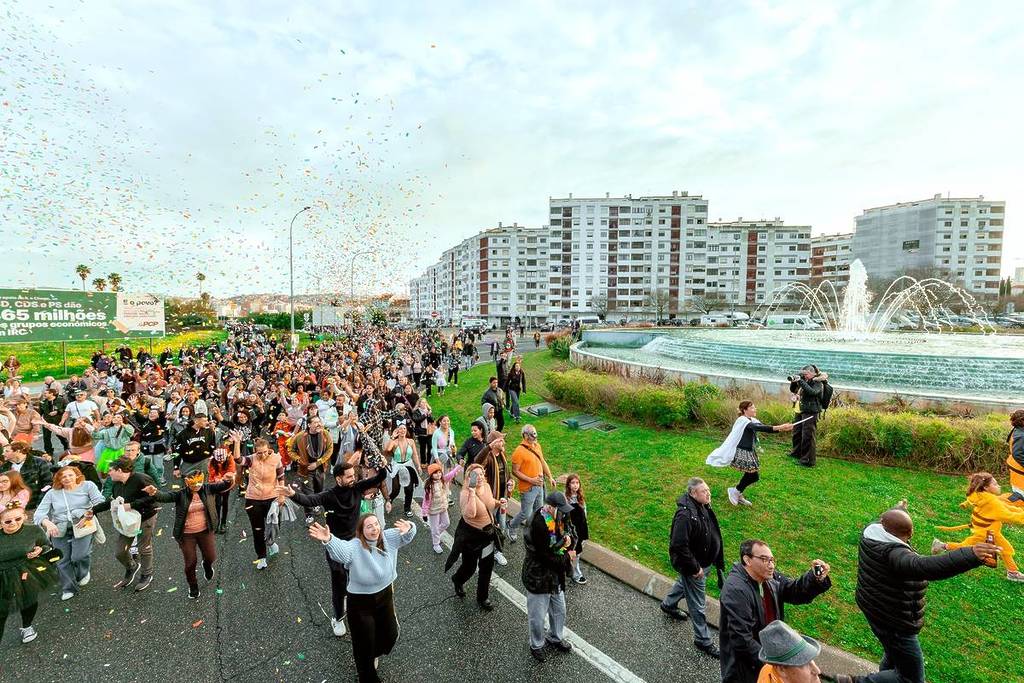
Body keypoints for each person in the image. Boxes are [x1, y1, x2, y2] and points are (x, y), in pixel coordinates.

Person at [856, 500, 997, 683]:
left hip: (873, 605)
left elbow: (888, 517)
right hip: (893, 620)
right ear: (911, 532)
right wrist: (971, 554)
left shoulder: (872, 531)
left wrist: (899, 509)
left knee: (894, 657)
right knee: (909, 678)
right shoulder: (896, 555)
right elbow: (925, 566)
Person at [276, 462, 387, 637]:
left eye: (353, 475)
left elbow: (380, 478)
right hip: (335, 543)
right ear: (338, 479)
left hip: (356, 542)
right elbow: (310, 500)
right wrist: (292, 494)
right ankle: (338, 617)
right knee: (339, 581)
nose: (353, 479)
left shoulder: (357, 488)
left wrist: (381, 465)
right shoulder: (330, 495)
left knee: (359, 577)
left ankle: (358, 608)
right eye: (349, 476)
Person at [309, 514, 417, 682]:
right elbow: (341, 552)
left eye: (376, 524)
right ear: (361, 531)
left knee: (390, 635)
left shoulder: (388, 537)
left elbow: (408, 535)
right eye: (369, 526)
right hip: (361, 604)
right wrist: (328, 539)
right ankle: (367, 675)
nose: (374, 529)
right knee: (363, 645)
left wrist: (409, 526)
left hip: (385, 596)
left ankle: (374, 653)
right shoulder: (355, 546)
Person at [719, 539, 832, 683]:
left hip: (769, 658)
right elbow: (742, 640)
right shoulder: (735, 590)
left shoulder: (769, 578)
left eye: (772, 560)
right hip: (746, 668)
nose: (771, 565)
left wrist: (814, 578)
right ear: (747, 560)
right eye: (764, 559)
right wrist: (774, 663)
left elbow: (794, 591)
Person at [660, 477, 724, 659]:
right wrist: (695, 568)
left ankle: (668, 604)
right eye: (704, 491)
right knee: (698, 604)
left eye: (708, 490)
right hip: (696, 568)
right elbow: (679, 545)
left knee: (683, 584)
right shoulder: (685, 515)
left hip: (705, 563)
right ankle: (703, 640)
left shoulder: (702, 506)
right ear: (692, 493)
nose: (708, 494)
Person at [144, 469, 233, 599]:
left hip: (205, 531)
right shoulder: (181, 494)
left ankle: (207, 565)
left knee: (211, 557)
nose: (197, 486)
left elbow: (224, 486)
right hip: (186, 534)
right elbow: (165, 497)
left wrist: (229, 479)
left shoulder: (208, 489)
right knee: (190, 562)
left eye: (199, 482)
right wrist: (154, 492)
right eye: (193, 483)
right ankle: (193, 586)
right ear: (187, 482)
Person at [932, 471, 1024, 582]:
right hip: (986, 532)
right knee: (966, 546)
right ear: (985, 487)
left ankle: (1012, 572)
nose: (999, 486)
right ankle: (942, 546)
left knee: (1005, 548)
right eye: (995, 484)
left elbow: (1004, 506)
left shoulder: (980, 495)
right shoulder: (992, 502)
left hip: (985, 529)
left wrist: (1019, 510)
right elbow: (1009, 516)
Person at [33, 465, 105, 602]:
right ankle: (68, 588)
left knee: (79, 556)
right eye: (63, 476)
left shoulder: (87, 486)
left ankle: (83, 572)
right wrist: (47, 523)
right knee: (62, 559)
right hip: (59, 528)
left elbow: (100, 502)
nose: (67, 478)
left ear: (77, 475)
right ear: (58, 479)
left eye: (70, 475)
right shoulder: (52, 493)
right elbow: (39, 514)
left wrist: (88, 514)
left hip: (83, 524)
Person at [706, 401, 793, 506]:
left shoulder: (752, 420)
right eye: (752, 408)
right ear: (744, 410)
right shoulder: (742, 420)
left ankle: (737, 492)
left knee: (753, 476)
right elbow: (759, 428)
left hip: (750, 451)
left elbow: (765, 428)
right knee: (753, 475)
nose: (755, 409)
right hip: (743, 451)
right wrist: (781, 426)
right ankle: (735, 491)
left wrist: (783, 429)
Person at [523, 491, 575, 662]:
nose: (565, 513)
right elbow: (546, 557)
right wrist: (567, 556)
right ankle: (536, 645)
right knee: (537, 617)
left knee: (559, 610)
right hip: (538, 576)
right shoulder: (539, 524)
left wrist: (568, 541)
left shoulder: (558, 517)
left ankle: (555, 637)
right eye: (562, 510)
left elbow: (568, 533)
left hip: (554, 575)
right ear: (551, 508)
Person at [93, 457, 158, 592]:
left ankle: (146, 574)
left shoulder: (141, 479)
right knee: (120, 552)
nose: (108, 473)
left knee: (143, 547)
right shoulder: (116, 484)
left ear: (119, 470)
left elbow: (153, 497)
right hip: (127, 521)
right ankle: (132, 567)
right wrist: (93, 510)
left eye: (111, 470)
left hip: (145, 517)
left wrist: (132, 505)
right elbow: (114, 502)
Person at [446, 463, 503, 610]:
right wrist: (472, 492)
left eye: (481, 474)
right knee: (470, 567)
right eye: (475, 475)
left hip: (487, 536)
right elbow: (469, 514)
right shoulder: (465, 493)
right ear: (468, 477)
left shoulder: (487, 487)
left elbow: (489, 505)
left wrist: (499, 503)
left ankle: (482, 598)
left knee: (487, 566)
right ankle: (457, 579)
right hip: (471, 537)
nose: (479, 477)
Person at [0, 501, 57, 645]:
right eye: (8, 521)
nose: (13, 523)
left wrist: (40, 550)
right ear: (0, 523)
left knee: (29, 600)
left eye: (18, 519)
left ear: (24, 517)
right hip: (2, 573)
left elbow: (47, 545)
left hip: (26, 569)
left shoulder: (34, 530)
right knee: (2, 608)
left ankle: (27, 626)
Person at [235, 437, 284, 569]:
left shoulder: (276, 459)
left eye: (264, 452)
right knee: (257, 529)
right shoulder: (251, 459)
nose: (262, 455)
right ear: (255, 452)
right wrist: (237, 442)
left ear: (269, 449)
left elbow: (281, 477)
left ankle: (271, 542)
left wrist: (281, 495)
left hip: (272, 498)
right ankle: (261, 557)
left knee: (274, 525)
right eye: (259, 453)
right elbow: (238, 460)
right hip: (253, 499)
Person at [507, 424, 555, 542]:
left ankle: (533, 531)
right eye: (532, 434)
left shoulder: (537, 446)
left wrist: (550, 477)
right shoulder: (519, 452)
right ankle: (511, 526)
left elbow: (542, 462)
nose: (535, 436)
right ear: (525, 435)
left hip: (539, 486)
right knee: (526, 513)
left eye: (535, 433)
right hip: (528, 488)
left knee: (539, 511)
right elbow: (515, 471)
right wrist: (531, 480)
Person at [288, 416, 334, 524]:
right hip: (305, 469)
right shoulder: (300, 436)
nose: (319, 424)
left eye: (319, 421)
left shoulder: (325, 434)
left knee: (319, 490)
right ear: (309, 425)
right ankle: (309, 515)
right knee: (307, 494)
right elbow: (290, 450)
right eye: (316, 422)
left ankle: (316, 504)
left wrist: (318, 463)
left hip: (320, 468)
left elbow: (330, 449)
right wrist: (299, 460)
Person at [475, 430, 511, 566]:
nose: (504, 443)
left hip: (502, 498)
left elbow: (506, 473)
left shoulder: (502, 454)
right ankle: (490, 552)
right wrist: (488, 447)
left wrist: (510, 481)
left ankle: (496, 551)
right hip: (491, 499)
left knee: (501, 526)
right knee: (491, 527)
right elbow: (476, 462)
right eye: (501, 440)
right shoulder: (488, 457)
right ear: (494, 443)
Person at [787, 366, 827, 467]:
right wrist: (794, 381)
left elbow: (812, 392)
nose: (804, 375)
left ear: (812, 373)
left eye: (806, 374)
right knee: (797, 432)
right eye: (803, 374)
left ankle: (808, 460)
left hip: (811, 411)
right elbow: (793, 390)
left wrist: (801, 381)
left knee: (807, 436)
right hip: (800, 409)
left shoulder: (818, 382)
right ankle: (796, 453)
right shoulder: (804, 380)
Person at [423, 461, 461, 553]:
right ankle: (436, 544)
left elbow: (451, 474)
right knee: (435, 528)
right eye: (435, 473)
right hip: (434, 510)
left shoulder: (443, 480)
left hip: (443, 507)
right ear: (431, 474)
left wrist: (459, 466)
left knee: (446, 523)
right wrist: (424, 513)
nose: (438, 474)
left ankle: (435, 534)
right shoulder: (429, 486)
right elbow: (426, 500)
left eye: (439, 472)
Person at [1, 441, 53, 509]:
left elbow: (48, 484)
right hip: (12, 506)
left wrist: (40, 503)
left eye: (7, 451)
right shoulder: (4, 467)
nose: (3, 454)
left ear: (17, 451)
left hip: (34, 503)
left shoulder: (39, 462)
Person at [384, 424, 421, 517]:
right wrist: (392, 436)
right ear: (397, 430)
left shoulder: (411, 441)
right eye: (400, 428)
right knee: (396, 489)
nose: (403, 430)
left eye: (404, 428)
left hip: (408, 466)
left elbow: (415, 455)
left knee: (409, 489)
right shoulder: (394, 442)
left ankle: (407, 508)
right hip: (397, 466)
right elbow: (387, 449)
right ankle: (389, 501)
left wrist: (418, 466)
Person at [173, 412, 216, 478]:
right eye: (204, 421)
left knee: (205, 485)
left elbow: (213, 447)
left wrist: (213, 461)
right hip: (188, 463)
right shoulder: (183, 434)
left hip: (204, 462)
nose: (207, 422)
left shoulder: (209, 432)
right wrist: (176, 467)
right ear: (196, 421)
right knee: (188, 484)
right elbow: (176, 452)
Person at [564, 473, 589, 585]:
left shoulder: (581, 498)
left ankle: (572, 569)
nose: (575, 485)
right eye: (572, 483)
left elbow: (584, 513)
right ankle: (575, 573)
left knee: (578, 552)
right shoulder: (566, 499)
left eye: (577, 483)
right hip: (571, 530)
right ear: (568, 485)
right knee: (573, 551)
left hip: (581, 529)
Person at [39, 388, 68, 457]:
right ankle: (49, 451)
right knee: (46, 437)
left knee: (61, 436)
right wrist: (41, 421)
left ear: (51, 393)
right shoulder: (43, 402)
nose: (44, 394)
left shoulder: (61, 400)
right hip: (47, 422)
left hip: (58, 421)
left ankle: (67, 448)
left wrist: (58, 412)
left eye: (46, 393)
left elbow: (67, 410)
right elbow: (40, 413)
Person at [1006, 409, 1024, 505]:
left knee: (1018, 491)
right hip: (1019, 468)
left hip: (1015, 465)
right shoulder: (1021, 435)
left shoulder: (1017, 430)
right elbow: (1017, 454)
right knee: (1020, 494)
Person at [504, 359, 527, 423]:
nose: (517, 367)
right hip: (511, 389)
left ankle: (511, 413)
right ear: (514, 367)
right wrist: (504, 389)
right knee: (516, 402)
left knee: (515, 402)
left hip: (518, 389)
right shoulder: (511, 373)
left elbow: (523, 381)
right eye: (516, 366)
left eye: (518, 366)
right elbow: (507, 381)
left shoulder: (521, 372)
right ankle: (517, 417)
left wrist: (524, 389)